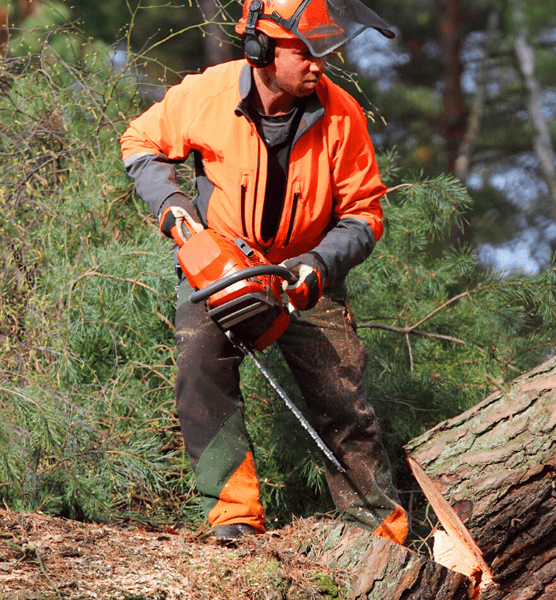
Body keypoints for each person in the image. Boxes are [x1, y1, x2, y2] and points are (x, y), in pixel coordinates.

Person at [120, 0, 408, 545]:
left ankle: (379, 533)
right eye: (305, 52)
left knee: (344, 400)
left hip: (306, 270)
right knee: (199, 368)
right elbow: (139, 142)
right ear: (261, 48)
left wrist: (317, 266)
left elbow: (366, 213)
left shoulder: (341, 114)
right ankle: (234, 514)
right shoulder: (207, 93)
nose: (319, 64)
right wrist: (172, 204)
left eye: (326, 51)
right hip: (223, 261)